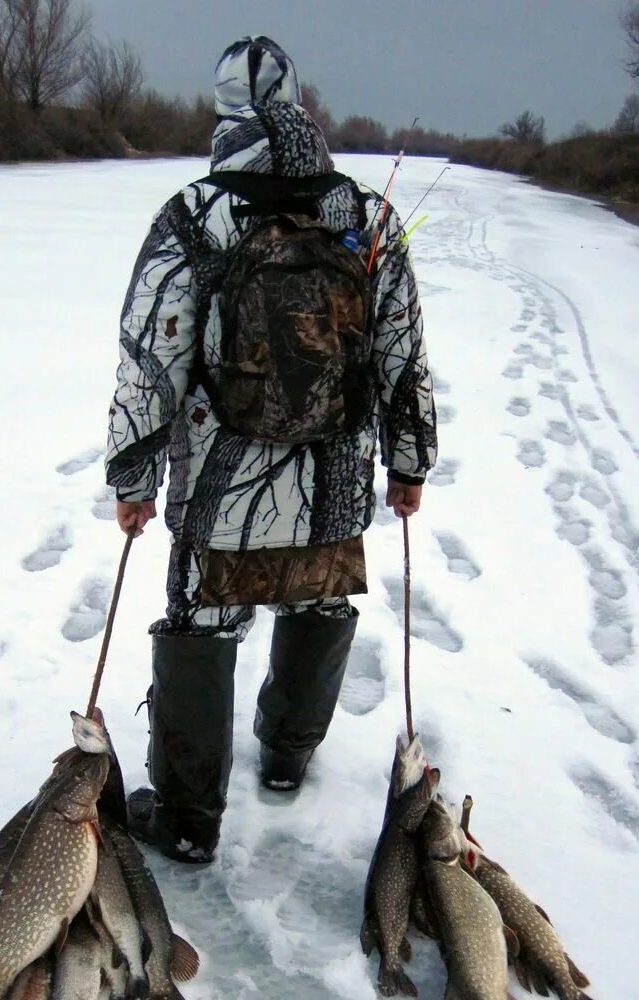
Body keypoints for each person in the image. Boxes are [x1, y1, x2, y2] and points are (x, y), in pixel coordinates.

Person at [105, 35, 437, 865]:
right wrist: (409, 459)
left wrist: (134, 472)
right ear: (301, 104)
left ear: (223, 112)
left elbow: (153, 357)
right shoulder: (365, 215)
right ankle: (286, 759)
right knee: (318, 602)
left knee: (201, 620)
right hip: (332, 483)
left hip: (221, 495)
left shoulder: (194, 214)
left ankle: (186, 817)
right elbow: (402, 350)